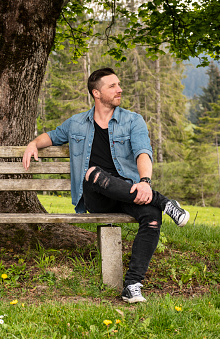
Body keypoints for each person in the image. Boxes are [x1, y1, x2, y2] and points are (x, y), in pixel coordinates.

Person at [22, 68, 189, 303]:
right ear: (96, 93)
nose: (119, 89)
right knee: (92, 173)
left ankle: (132, 284)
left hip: (127, 192)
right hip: (96, 196)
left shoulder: (132, 120)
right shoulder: (77, 123)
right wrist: (32, 144)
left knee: (152, 216)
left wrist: (145, 182)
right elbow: (51, 136)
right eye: (112, 86)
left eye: (119, 84)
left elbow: (143, 152)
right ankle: (165, 202)